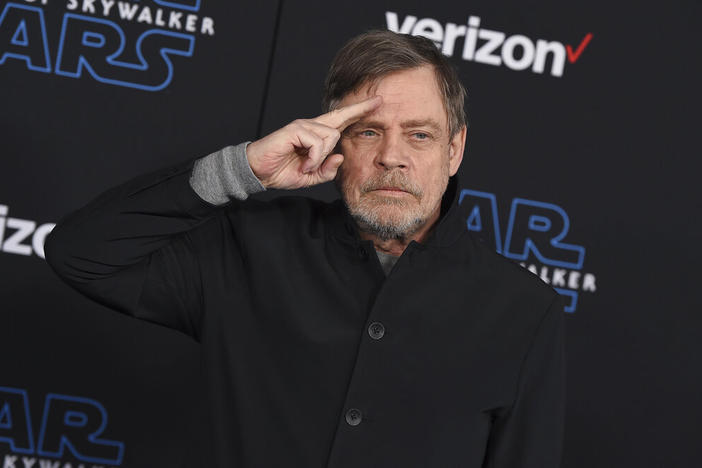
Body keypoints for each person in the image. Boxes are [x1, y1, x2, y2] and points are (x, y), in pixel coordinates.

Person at [45, 30, 565, 467]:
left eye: (420, 135)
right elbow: (79, 253)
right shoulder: (250, 247)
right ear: (334, 140)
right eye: (367, 131)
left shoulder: (523, 309)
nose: (392, 157)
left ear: (455, 150)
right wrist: (242, 169)